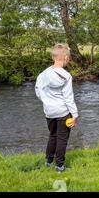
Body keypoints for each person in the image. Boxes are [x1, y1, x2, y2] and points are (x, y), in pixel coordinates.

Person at [35, 43, 79, 172]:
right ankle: (60, 166)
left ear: (54, 57)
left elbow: (38, 91)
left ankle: (48, 162)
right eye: (69, 59)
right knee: (62, 139)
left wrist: (46, 102)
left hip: (49, 112)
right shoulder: (66, 76)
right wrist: (75, 115)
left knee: (52, 136)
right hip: (63, 112)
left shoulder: (43, 74)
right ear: (65, 57)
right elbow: (68, 98)